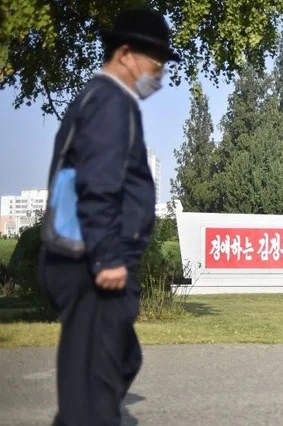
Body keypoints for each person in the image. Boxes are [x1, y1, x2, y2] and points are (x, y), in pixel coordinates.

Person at [39, 8, 180, 425]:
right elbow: (98, 183)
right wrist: (106, 257)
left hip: (91, 261)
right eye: (155, 63)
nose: (159, 74)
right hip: (92, 265)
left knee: (120, 358)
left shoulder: (100, 99)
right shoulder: (110, 101)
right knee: (94, 392)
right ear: (124, 53)